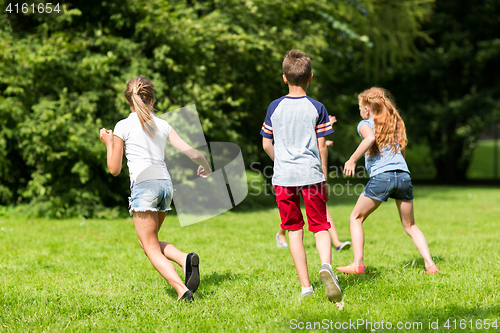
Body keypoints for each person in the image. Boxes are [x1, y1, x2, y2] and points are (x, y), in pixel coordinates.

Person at [99, 77, 212, 301]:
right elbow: (191, 151)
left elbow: (114, 169)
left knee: (150, 247)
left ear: (128, 100)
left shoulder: (123, 126)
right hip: (165, 186)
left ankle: (182, 290)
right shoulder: (162, 124)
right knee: (147, 242)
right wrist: (205, 166)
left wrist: (108, 143)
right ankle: (184, 258)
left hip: (144, 187)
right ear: (151, 99)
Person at [261, 50, 342, 302]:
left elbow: (266, 144)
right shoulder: (317, 107)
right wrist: (324, 179)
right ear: (311, 77)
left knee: (294, 230)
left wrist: (282, 163)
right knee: (320, 227)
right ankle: (326, 266)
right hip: (311, 175)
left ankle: (306, 287)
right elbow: (321, 147)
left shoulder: (274, 107)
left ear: (284, 78)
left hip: (283, 178)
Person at [336, 87, 439, 274]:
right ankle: (430, 264)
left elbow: (370, 138)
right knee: (411, 225)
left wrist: (351, 160)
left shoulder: (364, 124)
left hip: (382, 177)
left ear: (367, 108)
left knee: (356, 217)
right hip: (403, 175)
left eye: (360, 107)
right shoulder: (394, 124)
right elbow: (402, 152)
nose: (360, 111)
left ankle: (358, 264)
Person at [276, 116, 351, 252]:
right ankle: (281, 234)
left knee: (314, 208)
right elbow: (309, 147)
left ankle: (336, 242)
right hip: (297, 171)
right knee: (294, 209)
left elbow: (311, 144)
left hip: (304, 171)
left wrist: (323, 141)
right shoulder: (298, 121)